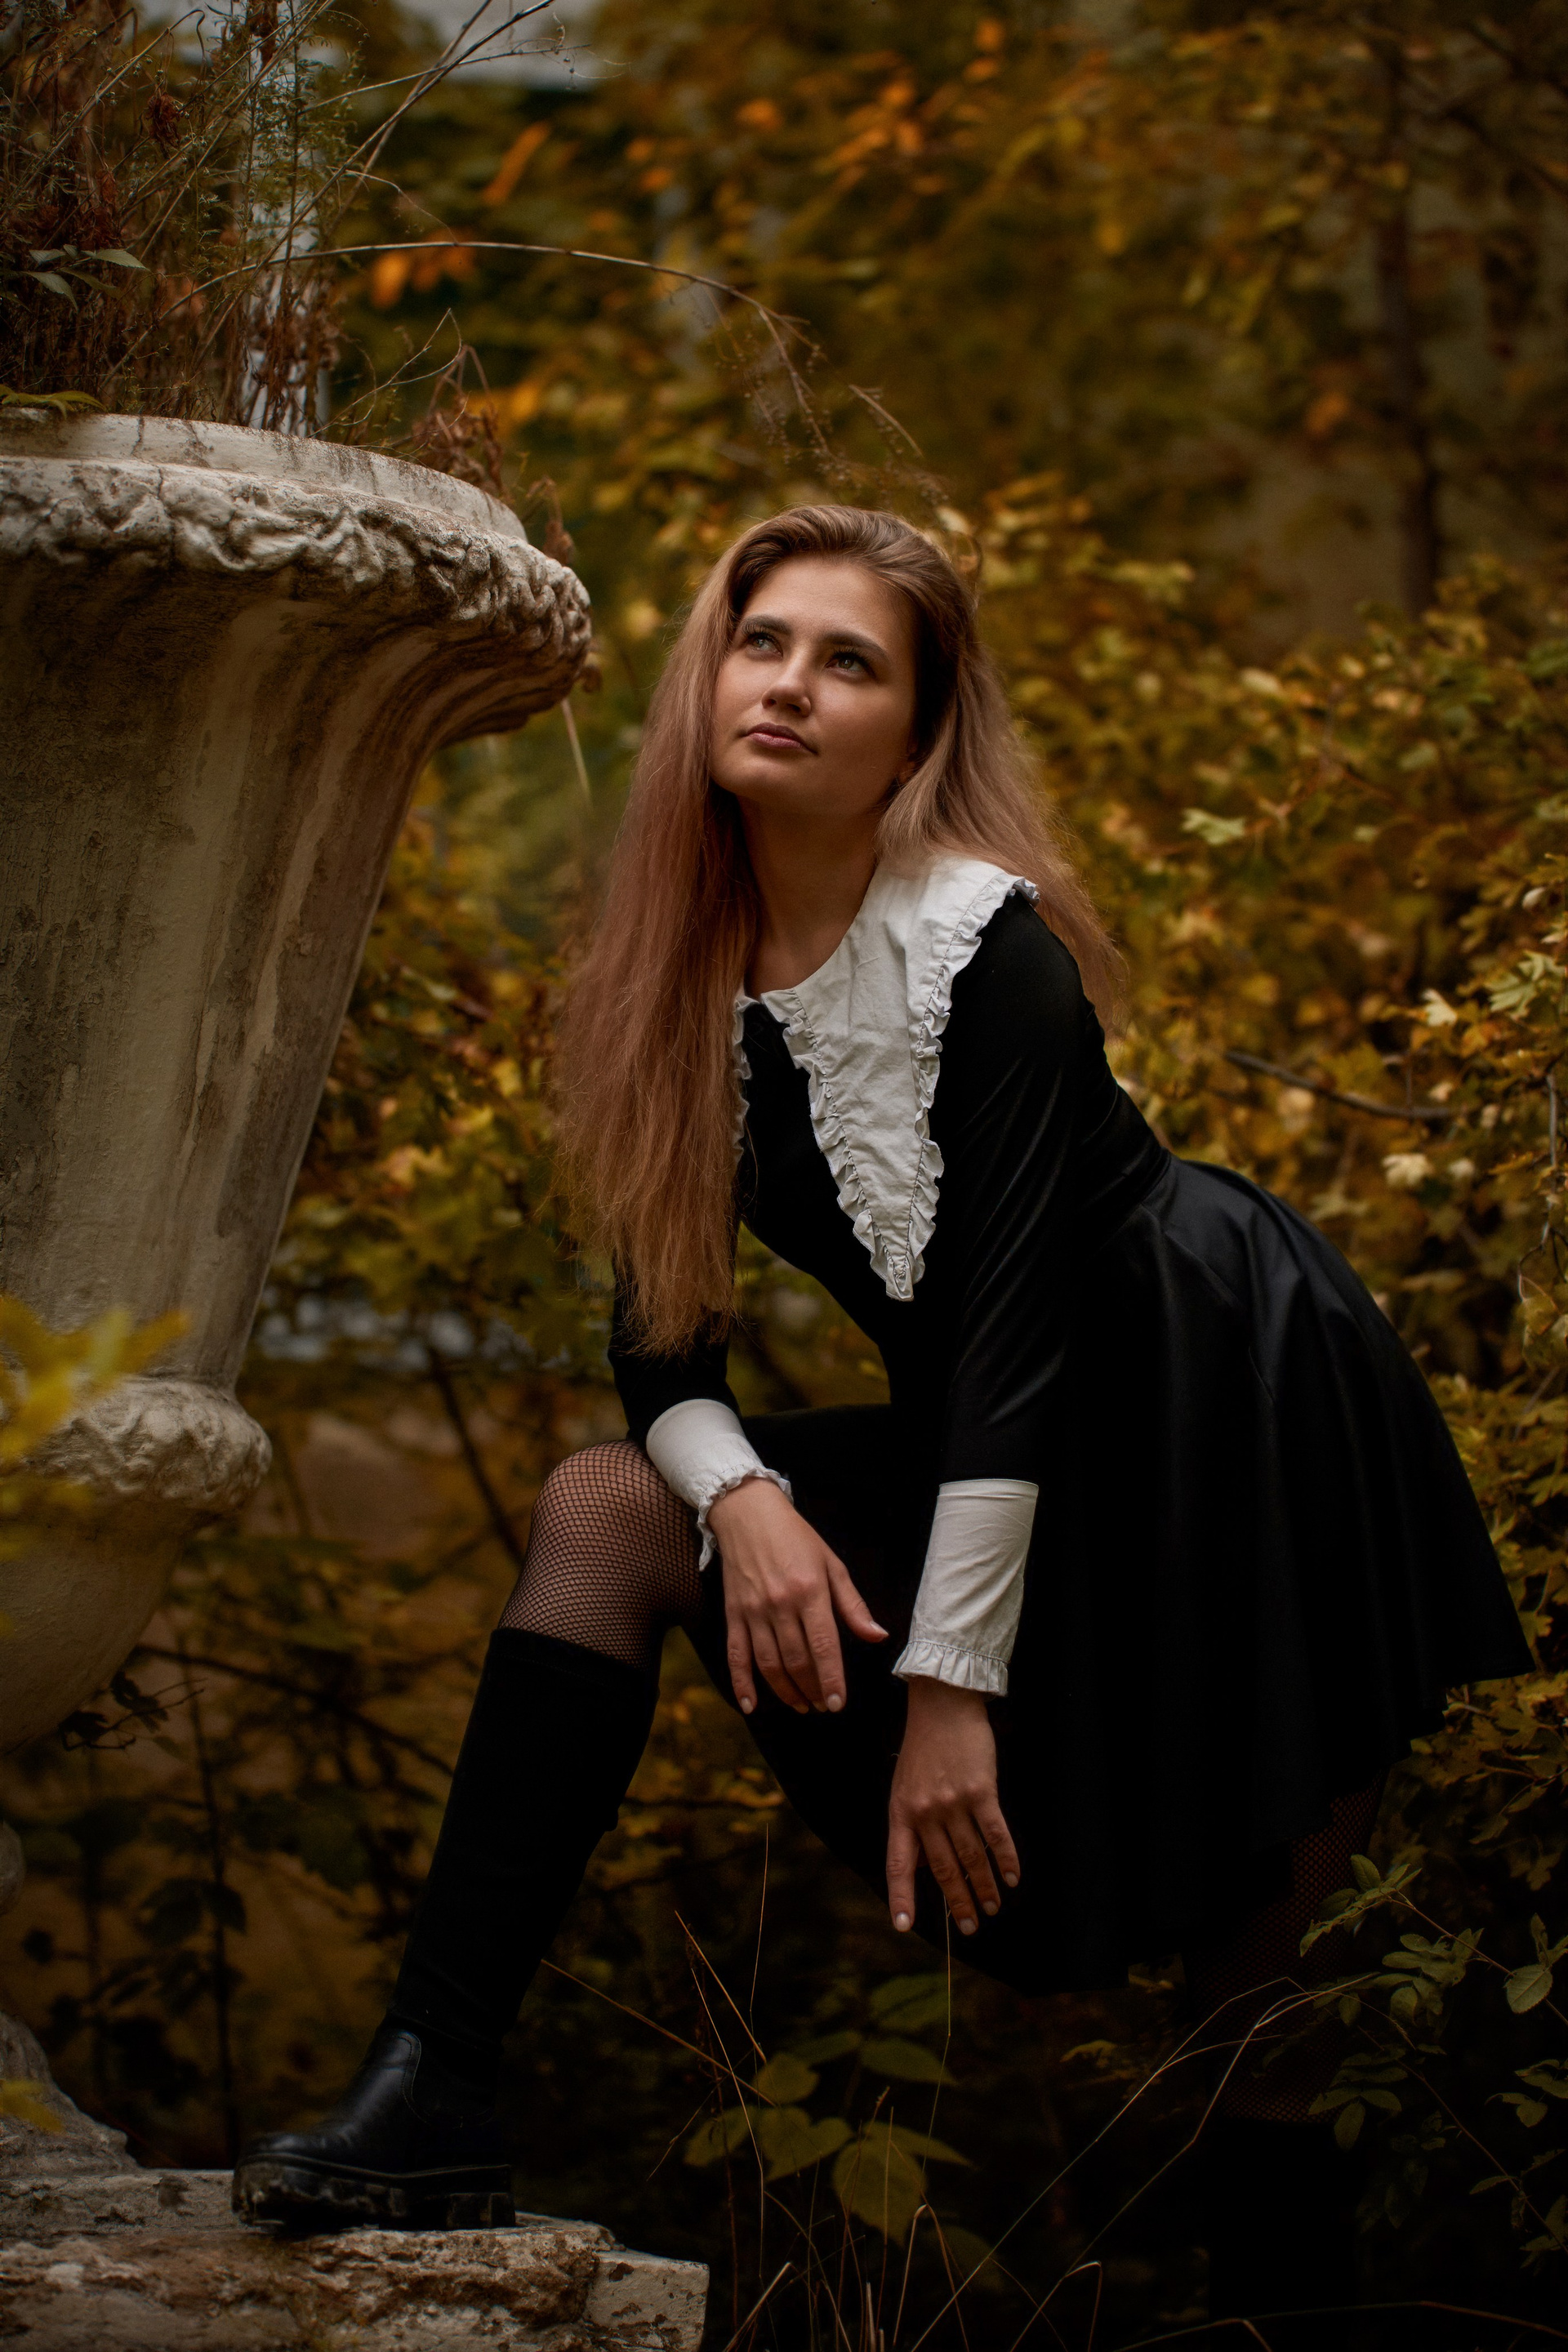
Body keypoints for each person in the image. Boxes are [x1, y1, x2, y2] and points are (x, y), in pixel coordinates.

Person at [234, 506, 1528, 2311]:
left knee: (1264, 1984)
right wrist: (745, 1499)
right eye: (763, 642)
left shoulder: (987, 947)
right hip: (998, 1449)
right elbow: (662, 1349)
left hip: (1220, 1409)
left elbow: (1011, 1334)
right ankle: (433, 2084)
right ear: (711, 679)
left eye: (851, 663)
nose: (789, 684)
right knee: (611, 1509)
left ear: (917, 734)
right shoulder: (676, 980)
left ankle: (1287, 2318)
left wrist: (948, 1685)